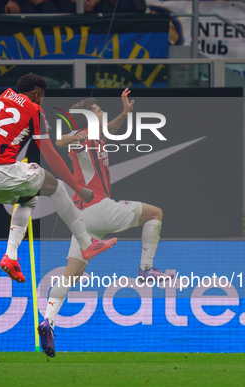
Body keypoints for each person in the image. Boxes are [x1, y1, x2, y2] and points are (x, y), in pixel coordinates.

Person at [38, 89, 173, 357]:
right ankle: (146, 269)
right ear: (89, 117)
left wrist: (124, 113)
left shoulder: (98, 134)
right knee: (155, 214)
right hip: (99, 208)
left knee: (71, 274)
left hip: (82, 219)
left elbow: (109, 127)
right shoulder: (84, 137)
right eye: (98, 110)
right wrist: (75, 136)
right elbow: (60, 141)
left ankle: (48, 320)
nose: (102, 113)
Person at [0, 72, 117, 283]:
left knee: (29, 196)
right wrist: (76, 186)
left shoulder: (1, 99)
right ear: (37, 94)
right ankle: (86, 243)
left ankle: (10, 256)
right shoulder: (34, 109)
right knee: (56, 187)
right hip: (0, 171)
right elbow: (51, 156)